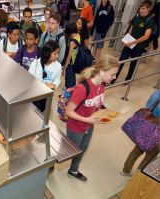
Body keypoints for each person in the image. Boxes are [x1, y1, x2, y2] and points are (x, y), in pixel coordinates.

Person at [66, 54, 119, 182]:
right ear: (101, 71)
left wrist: (103, 112)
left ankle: (73, 170)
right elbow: (69, 111)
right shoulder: (82, 88)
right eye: (112, 74)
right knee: (71, 151)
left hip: (89, 125)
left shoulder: (102, 85)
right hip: (77, 126)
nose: (115, 77)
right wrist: (87, 120)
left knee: (82, 149)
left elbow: (97, 103)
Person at [111, 0, 153, 85]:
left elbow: (146, 36)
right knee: (121, 61)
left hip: (138, 47)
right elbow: (131, 29)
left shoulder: (149, 20)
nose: (141, 10)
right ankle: (112, 79)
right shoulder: (136, 16)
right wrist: (127, 39)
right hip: (129, 44)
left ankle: (127, 80)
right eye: (141, 8)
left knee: (133, 64)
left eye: (143, 9)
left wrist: (134, 42)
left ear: (148, 9)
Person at [121, 89, 160, 177]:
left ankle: (125, 170)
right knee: (149, 158)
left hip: (145, 129)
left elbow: (149, 106)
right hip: (156, 133)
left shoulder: (157, 93)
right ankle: (138, 177)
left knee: (136, 151)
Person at [29, 40, 62, 112]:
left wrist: (54, 85)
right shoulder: (36, 63)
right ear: (47, 53)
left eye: (58, 53)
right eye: (55, 54)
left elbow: (57, 80)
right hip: (34, 94)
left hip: (46, 96)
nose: (57, 56)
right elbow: (30, 79)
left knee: (41, 111)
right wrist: (42, 85)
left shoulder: (58, 66)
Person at [62, 22, 81, 88]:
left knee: (69, 82)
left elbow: (69, 56)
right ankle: (72, 91)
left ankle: (68, 95)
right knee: (72, 79)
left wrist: (64, 68)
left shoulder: (72, 42)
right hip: (75, 62)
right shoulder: (78, 35)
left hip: (70, 64)